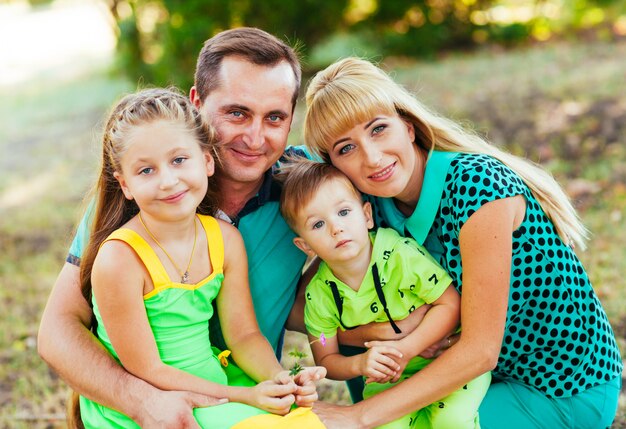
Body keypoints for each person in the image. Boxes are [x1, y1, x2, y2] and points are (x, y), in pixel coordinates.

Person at [38, 28, 422, 426]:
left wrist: (401, 328)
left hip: (241, 384)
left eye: (274, 118)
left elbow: (325, 298)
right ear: (197, 103)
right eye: (237, 113)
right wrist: (140, 400)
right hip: (165, 401)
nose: (255, 138)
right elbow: (58, 331)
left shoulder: (310, 192)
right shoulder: (146, 199)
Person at [303, 57, 622, 429]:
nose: (372, 158)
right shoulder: (367, 206)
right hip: (469, 378)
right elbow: (306, 311)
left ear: (408, 127)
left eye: (378, 129)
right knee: (355, 301)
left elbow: (481, 351)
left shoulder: (477, 186)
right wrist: (385, 332)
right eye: (346, 149)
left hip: (556, 385)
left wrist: (358, 417)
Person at [75, 87, 324, 428]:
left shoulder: (223, 239)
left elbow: (244, 336)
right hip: (155, 400)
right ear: (125, 184)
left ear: (207, 161)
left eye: (179, 160)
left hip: (214, 383)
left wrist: (278, 379)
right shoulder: (121, 259)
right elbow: (148, 370)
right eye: (146, 171)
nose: (168, 181)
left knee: (302, 420)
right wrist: (245, 397)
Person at [279, 160, 491, 428]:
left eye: (344, 212)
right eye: (318, 224)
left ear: (367, 215)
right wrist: (360, 364)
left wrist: (406, 349)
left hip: (447, 366)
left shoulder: (399, 255)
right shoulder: (319, 296)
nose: (336, 228)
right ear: (305, 245)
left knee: (451, 420)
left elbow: (449, 303)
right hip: (387, 383)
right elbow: (326, 356)